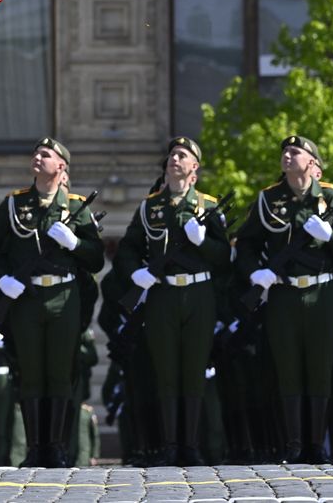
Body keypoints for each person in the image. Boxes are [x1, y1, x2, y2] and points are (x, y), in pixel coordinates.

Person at [0, 137, 104, 468]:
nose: (37, 157)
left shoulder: (76, 207)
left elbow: (96, 259)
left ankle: (56, 447)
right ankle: (34, 448)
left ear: (61, 166)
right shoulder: (15, 205)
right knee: (31, 371)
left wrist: (75, 243)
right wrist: (1, 279)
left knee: (60, 373)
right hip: (27, 299)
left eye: (45, 154)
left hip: (63, 297)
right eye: (36, 152)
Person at [235, 135, 333, 463]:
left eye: (295, 151)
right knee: (287, 367)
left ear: (313, 163)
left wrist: (332, 236)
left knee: (319, 368)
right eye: (284, 152)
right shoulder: (267, 200)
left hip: (321, 292)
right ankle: (293, 445)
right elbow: (245, 244)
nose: (287, 156)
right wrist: (256, 273)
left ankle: (316, 445)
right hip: (284, 293)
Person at [113, 137, 227, 466]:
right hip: (163, 294)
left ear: (194, 168)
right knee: (166, 371)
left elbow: (224, 259)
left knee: (193, 370)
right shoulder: (150, 207)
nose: (174, 159)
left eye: (182, 155)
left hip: (198, 294)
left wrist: (203, 242)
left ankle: (190, 446)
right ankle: (170, 445)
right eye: (172, 155)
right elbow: (129, 249)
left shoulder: (209, 206)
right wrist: (137, 274)